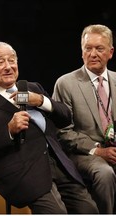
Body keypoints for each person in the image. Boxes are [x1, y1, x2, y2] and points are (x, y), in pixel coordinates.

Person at [0, 41, 98, 214]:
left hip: (59, 165)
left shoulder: (31, 88)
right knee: (56, 213)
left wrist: (41, 101)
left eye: (12, 60)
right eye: (0, 61)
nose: (8, 66)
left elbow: (65, 118)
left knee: (90, 210)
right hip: (23, 172)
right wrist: (8, 130)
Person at [52, 24, 116, 213]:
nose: (93, 54)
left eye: (99, 48)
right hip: (84, 154)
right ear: (82, 52)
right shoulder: (66, 83)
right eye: (88, 48)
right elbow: (62, 132)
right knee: (104, 173)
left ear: (110, 52)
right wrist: (98, 151)